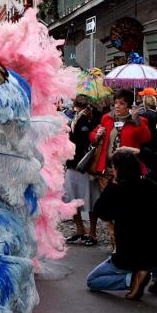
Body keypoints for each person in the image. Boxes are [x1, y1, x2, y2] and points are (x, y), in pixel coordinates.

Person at [86, 150, 157, 299]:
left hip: (130, 255)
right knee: (154, 241)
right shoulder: (152, 185)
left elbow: (102, 212)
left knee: (92, 280)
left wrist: (111, 185)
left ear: (117, 169)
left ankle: (133, 279)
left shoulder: (118, 191)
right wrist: (139, 152)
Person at [88, 88, 152, 247]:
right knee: (109, 206)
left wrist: (136, 120)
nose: (117, 106)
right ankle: (115, 242)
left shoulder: (139, 120)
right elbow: (93, 136)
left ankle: (126, 241)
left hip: (127, 171)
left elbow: (145, 138)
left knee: (125, 208)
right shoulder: (106, 118)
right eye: (115, 102)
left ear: (129, 105)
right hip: (107, 169)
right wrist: (97, 134)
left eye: (122, 103)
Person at [63, 96, 101, 244]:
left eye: (79, 105)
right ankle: (80, 229)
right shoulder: (74, 118)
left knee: (91, 198)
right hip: (72, 162)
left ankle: (92, 232)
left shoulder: (94, 118)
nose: (76, 108)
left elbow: (90, 139)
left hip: (87, 164)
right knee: (71, 197)